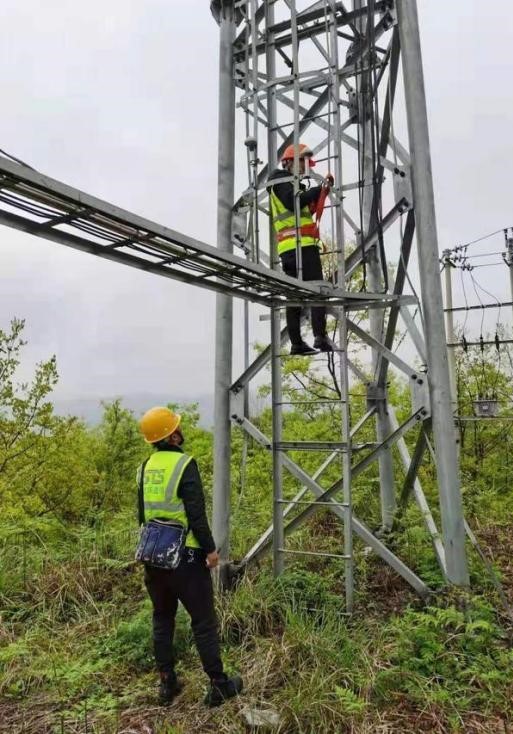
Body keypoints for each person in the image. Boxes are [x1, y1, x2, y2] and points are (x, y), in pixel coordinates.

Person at [136, 406, 243, 707]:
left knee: (162, 618)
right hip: (187, 557)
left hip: (154, 556)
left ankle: (167, 684)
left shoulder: (144, 468)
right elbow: (196, 513)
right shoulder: (185, 465)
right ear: (172, 435)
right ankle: (219, 684)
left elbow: (141, 516)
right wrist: (210, 550)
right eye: (176, 427)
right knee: (203, 621)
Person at [268, 142, 336, 355]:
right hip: (300, 247)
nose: (305, 167)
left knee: (294, 295)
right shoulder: (280, 179)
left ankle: (298, 342)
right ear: (288, 162)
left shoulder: (290, 185)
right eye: (302, 162)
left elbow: (303, 207)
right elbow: (293, 203)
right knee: (317, 290)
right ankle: (319, 336)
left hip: (292, 247)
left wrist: (318, 194)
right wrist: (317, 190)